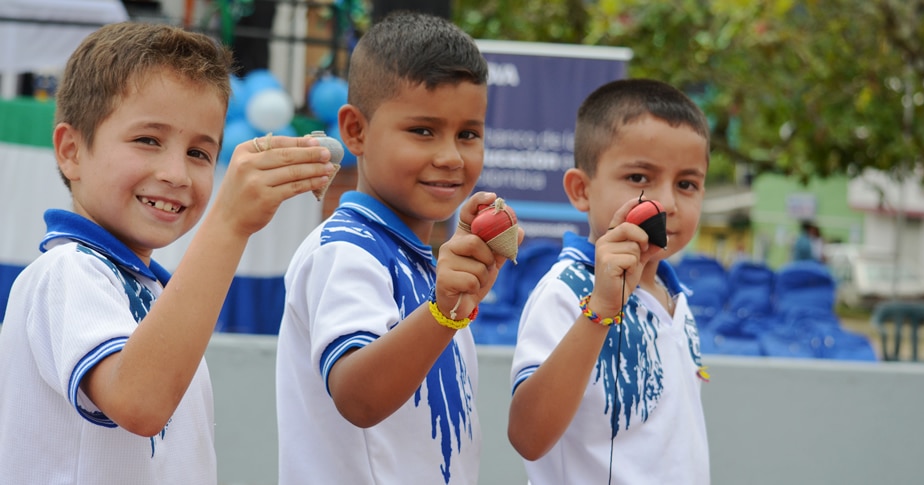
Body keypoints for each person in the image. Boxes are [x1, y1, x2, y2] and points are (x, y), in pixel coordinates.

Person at [0, 22, 335, 483]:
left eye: (200, 152)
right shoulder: (66, 271)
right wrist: (230, 223)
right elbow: (139, 403)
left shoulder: (150, 288)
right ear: (71, 151)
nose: (177, 172)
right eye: (148, 140)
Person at [275, 11, 512, 485]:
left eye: (468, 134)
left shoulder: (423, 264)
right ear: (355, 131)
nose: (449, 156)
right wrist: (444, 311)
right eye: (423, 131)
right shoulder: (344, 250)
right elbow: (360, 399)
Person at [507, 79, 712, 484]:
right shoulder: (566, 290)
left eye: (687, 184)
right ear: (581, 190)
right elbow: (527, 437)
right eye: (639, 178)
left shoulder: (674, 295)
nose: (667, 203)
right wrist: (599, 309)